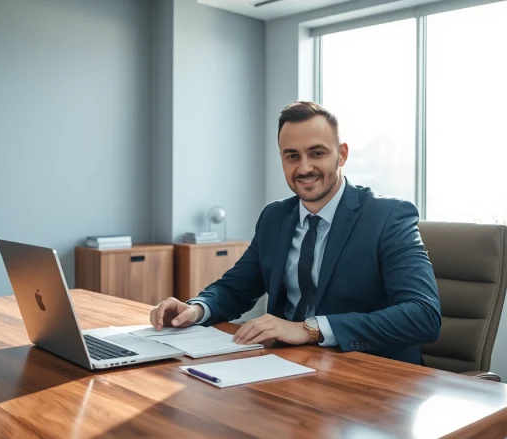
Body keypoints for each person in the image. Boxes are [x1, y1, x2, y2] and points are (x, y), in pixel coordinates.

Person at [149, 101, 441, 365]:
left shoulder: (387, 216)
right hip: (287, 366)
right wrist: (197, 309)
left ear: (342, 154)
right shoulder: (275, 217)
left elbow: (423, 315)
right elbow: (235, 289)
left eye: (317, 153)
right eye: (292, 156)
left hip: (370, 372)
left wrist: (310, 329)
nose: (304, 168)